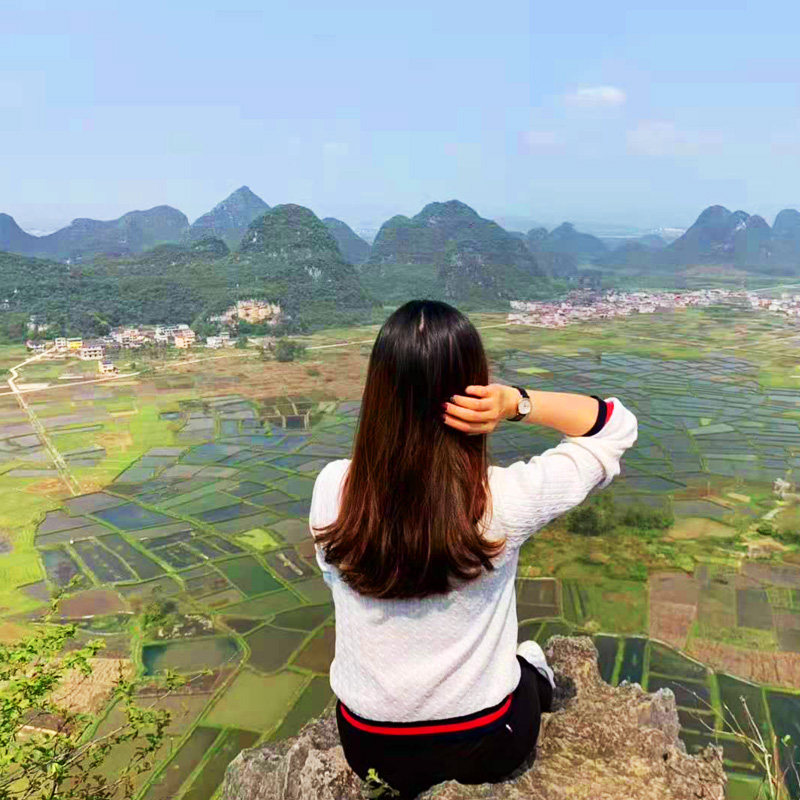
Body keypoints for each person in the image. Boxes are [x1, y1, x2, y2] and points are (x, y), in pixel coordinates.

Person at [310, 299, 638, 798]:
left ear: (378, 392)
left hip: (368, 745)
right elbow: (615, 425)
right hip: (484, 743)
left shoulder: (334, 489)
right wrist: (516, 403)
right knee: (526, 666)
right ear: (473, 391)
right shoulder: (501, 500)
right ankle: (536, 672)